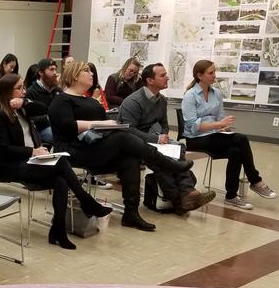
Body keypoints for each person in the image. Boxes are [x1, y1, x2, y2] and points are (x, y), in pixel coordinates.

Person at [48, 61, 193, 232]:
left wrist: (109, 126)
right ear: (74, 75)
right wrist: (98, 124)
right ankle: (165, 162)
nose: (92, 74)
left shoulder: (92, 101)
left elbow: (102, 127)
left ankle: (131, 213)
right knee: (123, 137)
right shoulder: (62, 100)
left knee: (129, 159)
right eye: (86, 71)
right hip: (73, 149)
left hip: (94, 147)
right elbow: (67, 126)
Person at [0, 74, 113, 250]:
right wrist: (32, 151)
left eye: (23, 87)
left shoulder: (22, 109)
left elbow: (44, 108)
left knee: (60, 181)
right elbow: (3, 150)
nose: (23, 91)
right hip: (13, 165)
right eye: (19, 88)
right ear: (7, 91)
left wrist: (24, 103)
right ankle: (86, 201)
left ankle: (58, 230)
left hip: (33, 160)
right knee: (61, 162)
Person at [120, 63, 216, 213]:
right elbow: (128, 130)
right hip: (136, 144)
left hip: (156, 142)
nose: (167, 78)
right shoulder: (132, 102)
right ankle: (181, 199)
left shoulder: (162, 100)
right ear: (150, 80)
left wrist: (163, 136)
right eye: (162, 75)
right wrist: (155, 139)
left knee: (177, 149)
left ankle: (185, 194)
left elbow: (164, 124)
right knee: (162, 161)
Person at [181, 60, 277, 209]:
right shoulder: (190, 96)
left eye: (214, 72)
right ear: (199, 76)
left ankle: (231, 196)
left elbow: (220, 118)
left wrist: (224, 126)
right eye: (211, 73)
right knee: (241, 139)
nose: (214, 75)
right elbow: (192, 127)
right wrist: (218, 125)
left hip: (214, 136)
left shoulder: (217, 93)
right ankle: (255, 181)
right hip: (196, 140)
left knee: (236, 151)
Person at [25, 58, 61, 144]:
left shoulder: (57, 90)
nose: (55, 73)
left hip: (58, 125)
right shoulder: (31, 92)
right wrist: (47, 118)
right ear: (41, 72)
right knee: (59, 136)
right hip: (40, 128)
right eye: (51, 69)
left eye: (55, 69)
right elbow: (28, 119)